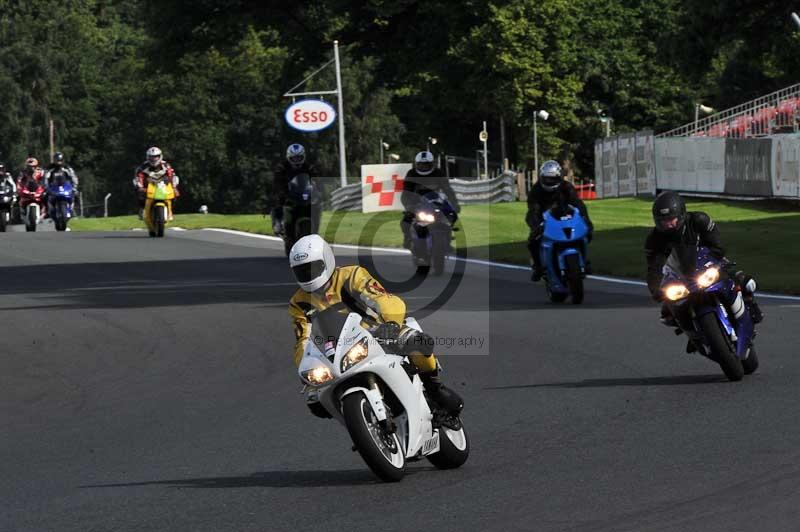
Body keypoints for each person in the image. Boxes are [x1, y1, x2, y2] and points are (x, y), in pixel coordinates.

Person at [288, 234, 464, 417]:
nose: (308, 275)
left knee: (418, 342)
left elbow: (384, 300)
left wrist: (392, 324)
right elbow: (303, 341)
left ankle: (434, 386)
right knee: (316, 400)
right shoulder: (299, 302)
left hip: (377, 333)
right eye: (302, 271)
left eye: (313, 268)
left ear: (327, 260)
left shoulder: (351, 275)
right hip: (335, 350)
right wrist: (306, 372)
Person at [645, 191, 763, 345]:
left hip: (709, 262)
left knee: (745, 281)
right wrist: (656, 290)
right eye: (662, 221)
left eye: (671, 220)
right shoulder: (654, 240)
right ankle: (693, 333)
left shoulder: (699, 220)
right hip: (680, 275)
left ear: (681, 214)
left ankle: (749, 305)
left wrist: (715, 257)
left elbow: (717, 246)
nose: (667, 224)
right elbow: (654, 268)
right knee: (667, 311)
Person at [526, 160, 594, 281]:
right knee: (533, 240)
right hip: (544, 216)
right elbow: (533, 209)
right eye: (547, 179)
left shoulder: (566, 186)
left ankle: (584, 261)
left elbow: (578, 203)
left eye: (553, 179)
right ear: (542, 177)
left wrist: (585, 220)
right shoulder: (536, 190)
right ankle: (538, 267)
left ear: (559, 177)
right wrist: (537, 225)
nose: (550, 181)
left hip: (565, 214)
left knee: (586, 233)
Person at [400, 150, 460, 248]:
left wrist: (454, 204)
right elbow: (406, 192)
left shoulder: (438, 173)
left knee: (450, 217)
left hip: (435, 200)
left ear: (432, 164)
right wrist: (408, 205)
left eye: (426, 164)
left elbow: (447, 190)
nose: (423, 167)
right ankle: (408, 238)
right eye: (421, 165)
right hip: (416, 201)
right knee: (405, 221)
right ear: (416, 164)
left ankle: (447, 240)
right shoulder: (412, 173)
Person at [271, 144, 315, 235]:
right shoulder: (282, 167)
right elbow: (277, 180)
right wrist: (281, 189)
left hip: (304, 192)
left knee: (316, 203)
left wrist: (318, 187)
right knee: (278, 198)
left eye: (299, 157)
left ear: (303, 157)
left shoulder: (308, 167)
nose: (296, 160)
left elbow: (317, 177)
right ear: (289, 157)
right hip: (288, 191)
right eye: (294, 158)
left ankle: (315, 224)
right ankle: (278, 221)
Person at [134, 147, 180, 222]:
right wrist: (140, 187)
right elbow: (138, 177)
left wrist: (174, 187)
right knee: (138, 193)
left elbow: (172, 176)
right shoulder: (143, 166)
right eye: (151, 157)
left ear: (160, 156)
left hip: (163, 185)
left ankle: (170, 210)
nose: (153, 159)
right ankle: (142, 208)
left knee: (175, 194)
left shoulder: (166, 165)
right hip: (147, 185)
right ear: (148, 157)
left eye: (156, 156)